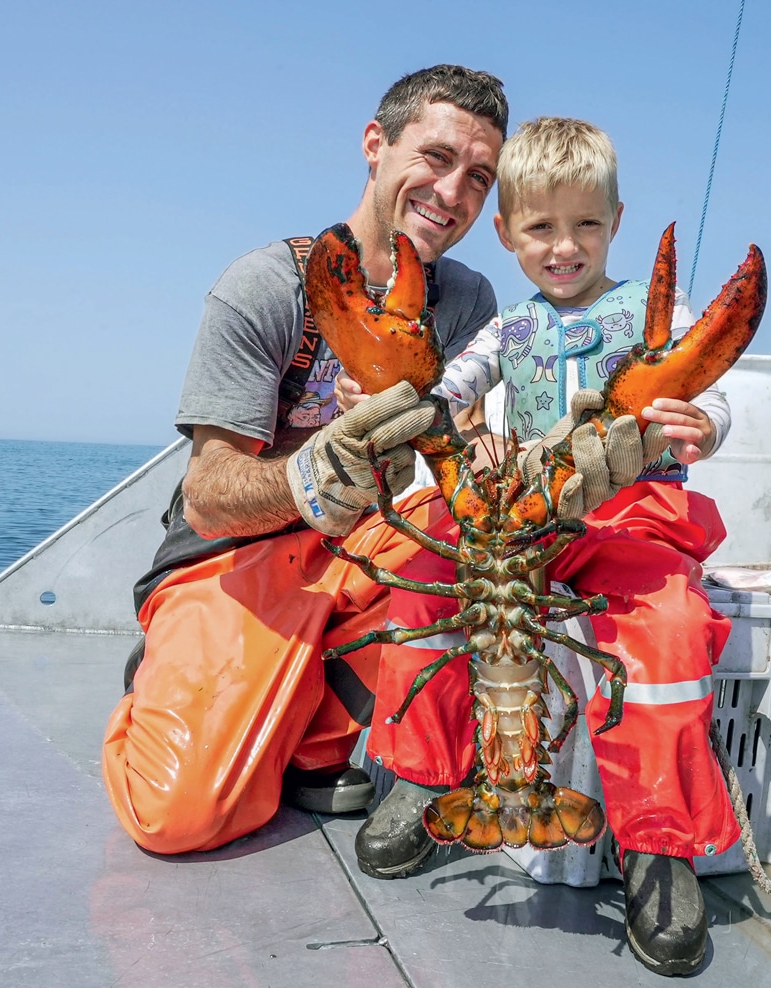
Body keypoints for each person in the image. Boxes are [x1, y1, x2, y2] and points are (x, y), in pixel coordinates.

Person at [345, 117, 741, 977]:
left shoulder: (648, 315)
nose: (564, 248)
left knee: (670, 631)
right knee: (420, 567)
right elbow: (440, 393)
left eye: (586, 226)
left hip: (628, 517)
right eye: (540, 229)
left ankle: (658, 844)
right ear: (506, 233)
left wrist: (705, 422)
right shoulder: (505, 329)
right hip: (521, 518)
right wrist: (416, 406)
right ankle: (421, 775)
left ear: (617, 221)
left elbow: (716, 394)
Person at [100, 65, 514, 855]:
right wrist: (321, 465)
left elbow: (464, 452)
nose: (452, 192)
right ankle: (161, 681)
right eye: (434, 157)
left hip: (365, 548)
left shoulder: (467, 303)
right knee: (178, 818)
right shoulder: (266, 287)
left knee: (481, 538)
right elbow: (208, 496)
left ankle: (312, 741)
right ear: (374, 145)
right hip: (230, 560)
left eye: (479, 177)